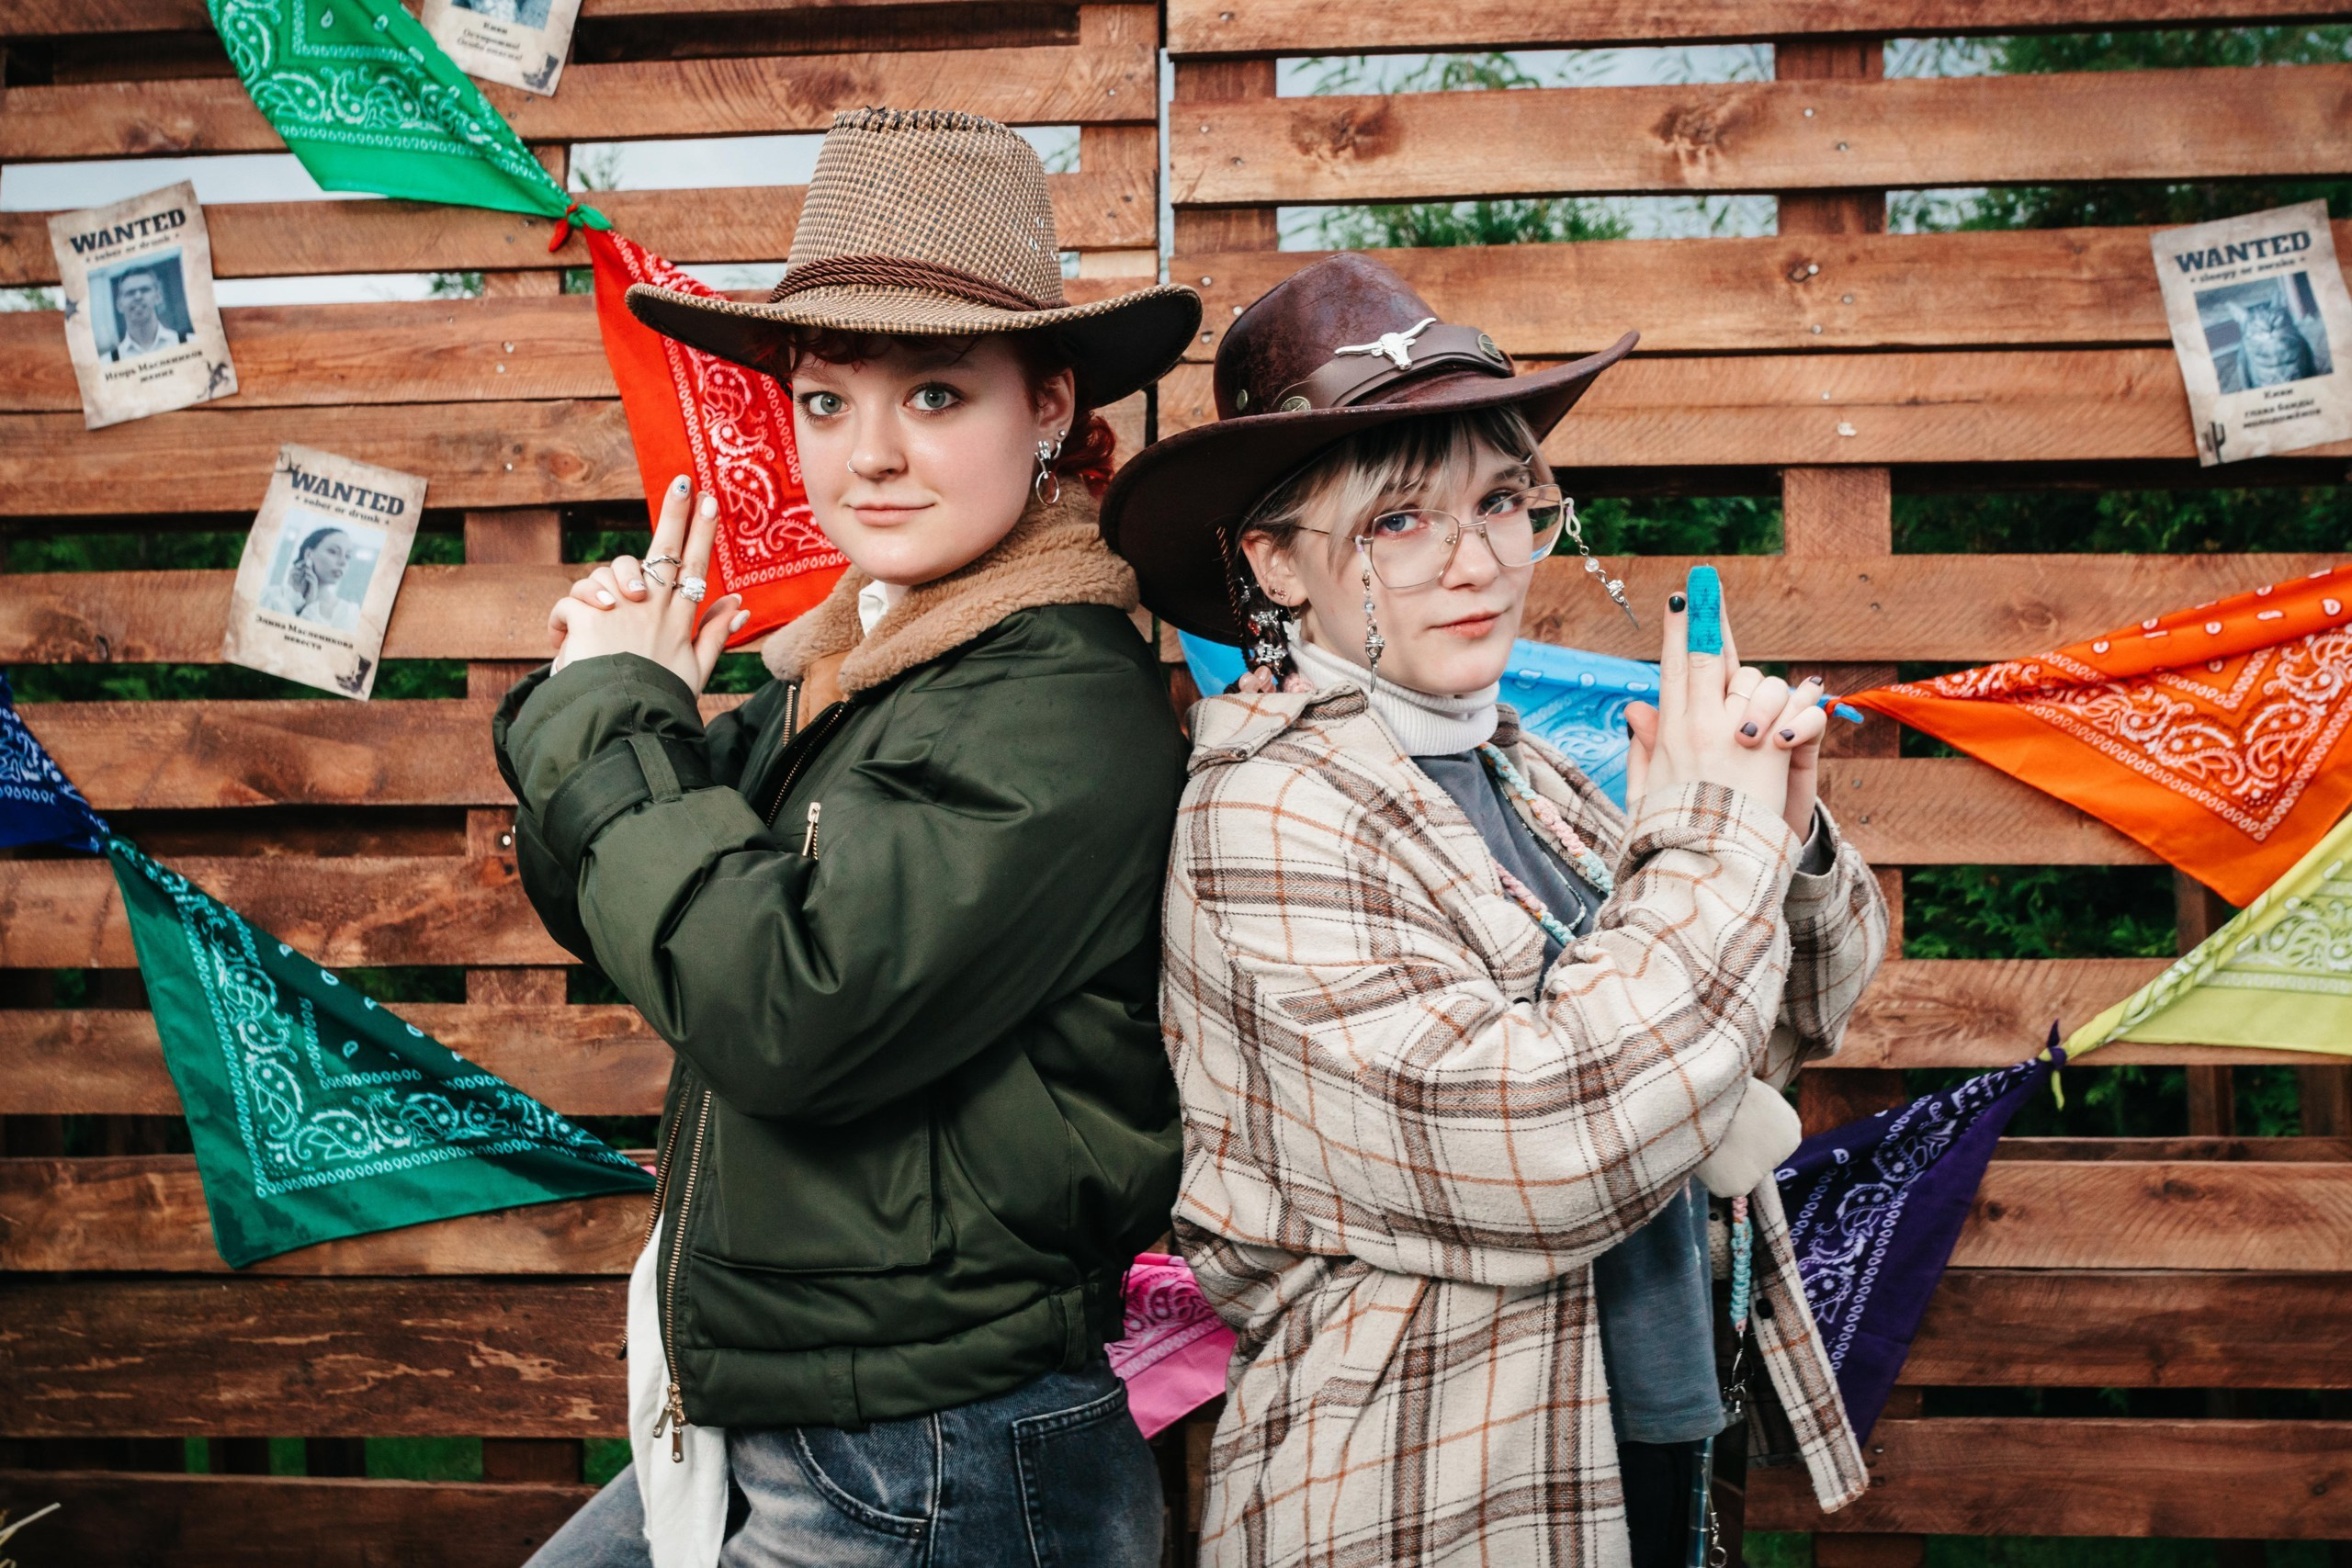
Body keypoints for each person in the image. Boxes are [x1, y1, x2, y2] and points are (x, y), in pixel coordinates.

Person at [1099, 254, 1887, 1568]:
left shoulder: (1525, 765)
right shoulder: (1269, 810)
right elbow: (1548, 1144)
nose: (1478, 562)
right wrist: (1707, 839)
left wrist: (1778, 821)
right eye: (1399, 521)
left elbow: (1787, 1017)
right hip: (1422, 1484)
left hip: (1642, 1435)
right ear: (1276, 563)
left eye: (1503, 500)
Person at [494, 108, 1202, 1567]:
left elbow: (775, 1003)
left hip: (937, 1451)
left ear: (1052, 404)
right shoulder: (862, 663)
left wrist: (617, 718)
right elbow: (621, 894)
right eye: (826, 402)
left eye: (935, 394)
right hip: (789, 1405)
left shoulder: (1058, 699)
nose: (867, 457)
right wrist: (606, 692)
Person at [259, 525, 361, 630]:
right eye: (333, 552)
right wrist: (292, 601)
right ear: (308, 554)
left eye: (348, 556)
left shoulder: (349, 613)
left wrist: (310, 606)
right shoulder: (271, 595)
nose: (343, 562)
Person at [104, 265, 181, 360]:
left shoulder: (187, 343)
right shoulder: (108, 362)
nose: (138, 297)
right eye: (130, 293)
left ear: (158, 297)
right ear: (119, 305)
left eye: (145, 290)